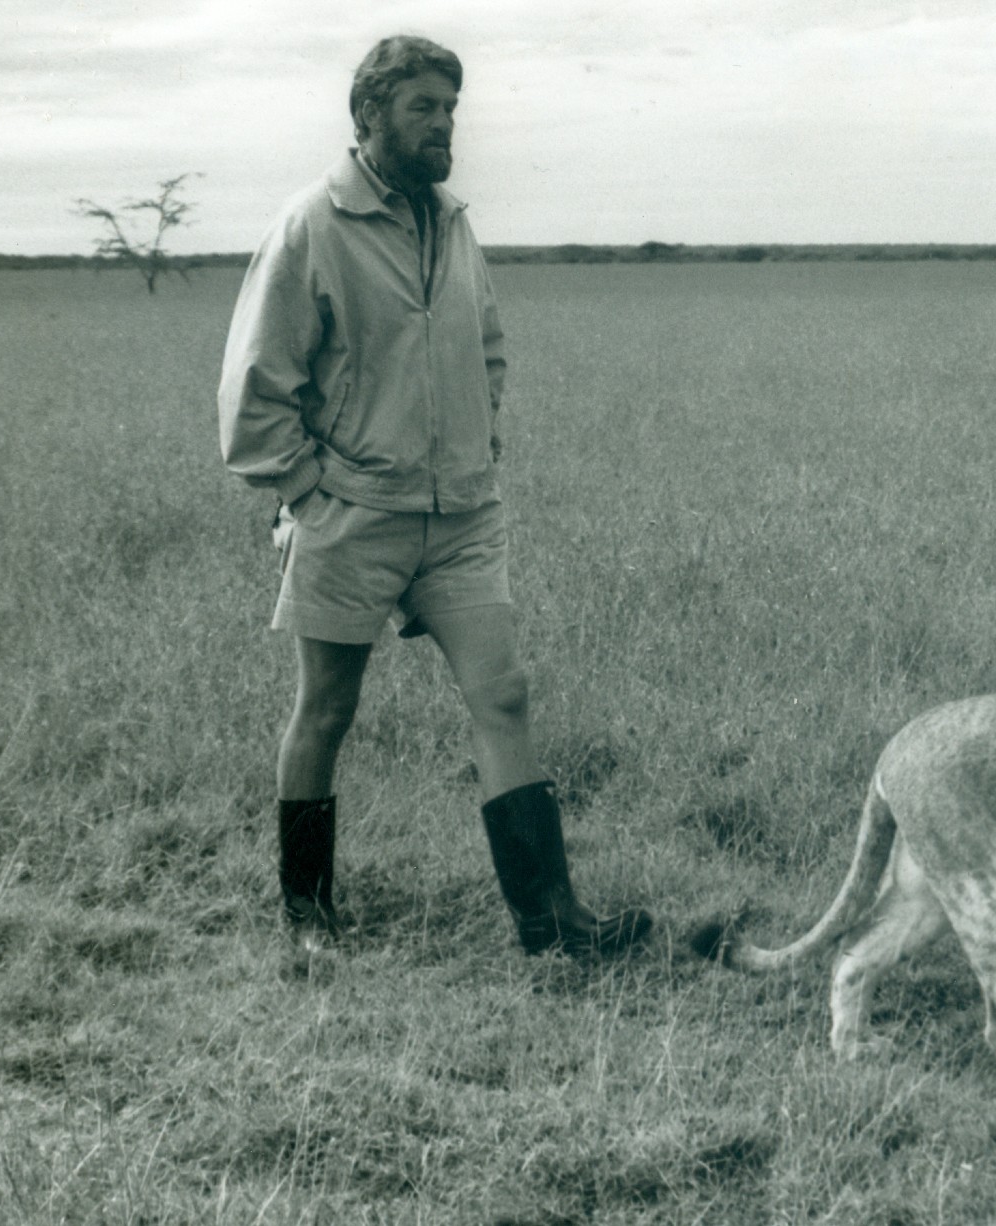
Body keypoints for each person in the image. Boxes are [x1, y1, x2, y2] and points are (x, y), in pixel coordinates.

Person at [217, 34, 651, 960]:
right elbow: (254, 392)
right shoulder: (313, 225)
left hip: (460, 515)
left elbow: (486, 344)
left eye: (452, 107)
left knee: (504, 694)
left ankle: (551, 921)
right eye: (424, 107)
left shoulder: (451, 220)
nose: (445, 123)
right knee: (327, 708)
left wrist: (477, 445)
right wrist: (310, 493)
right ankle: (308, 919)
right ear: (370, 115)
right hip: (351, 513)